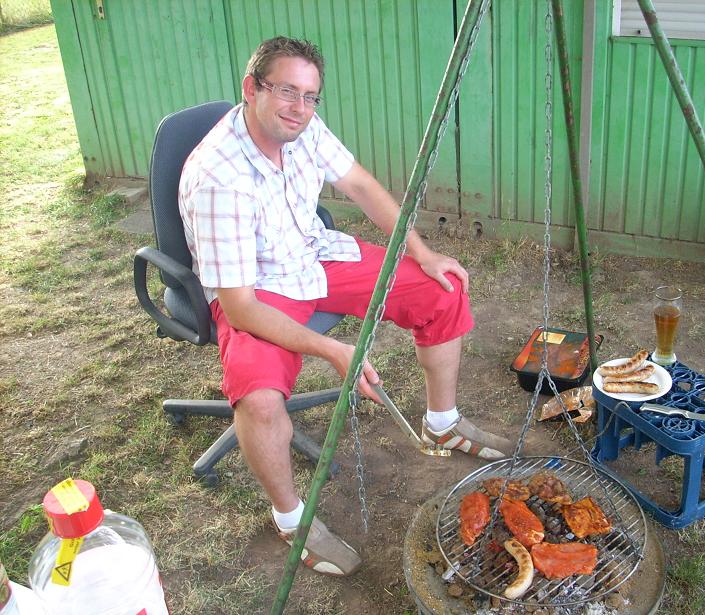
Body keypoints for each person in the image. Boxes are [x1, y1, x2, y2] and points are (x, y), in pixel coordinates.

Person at [179, 36, 512, 577]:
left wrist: (422, 253)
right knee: (259, 400)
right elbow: (239, 307)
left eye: (310, 95)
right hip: (258, 289)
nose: (299, 107)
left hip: (313, 254)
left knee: (442, 290)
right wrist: (334, 349)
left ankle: (442, 423)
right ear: (251, 88)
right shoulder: (219, 177)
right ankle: (292, 520)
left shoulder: (302, 126)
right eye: (287, 91)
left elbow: (359, 184)